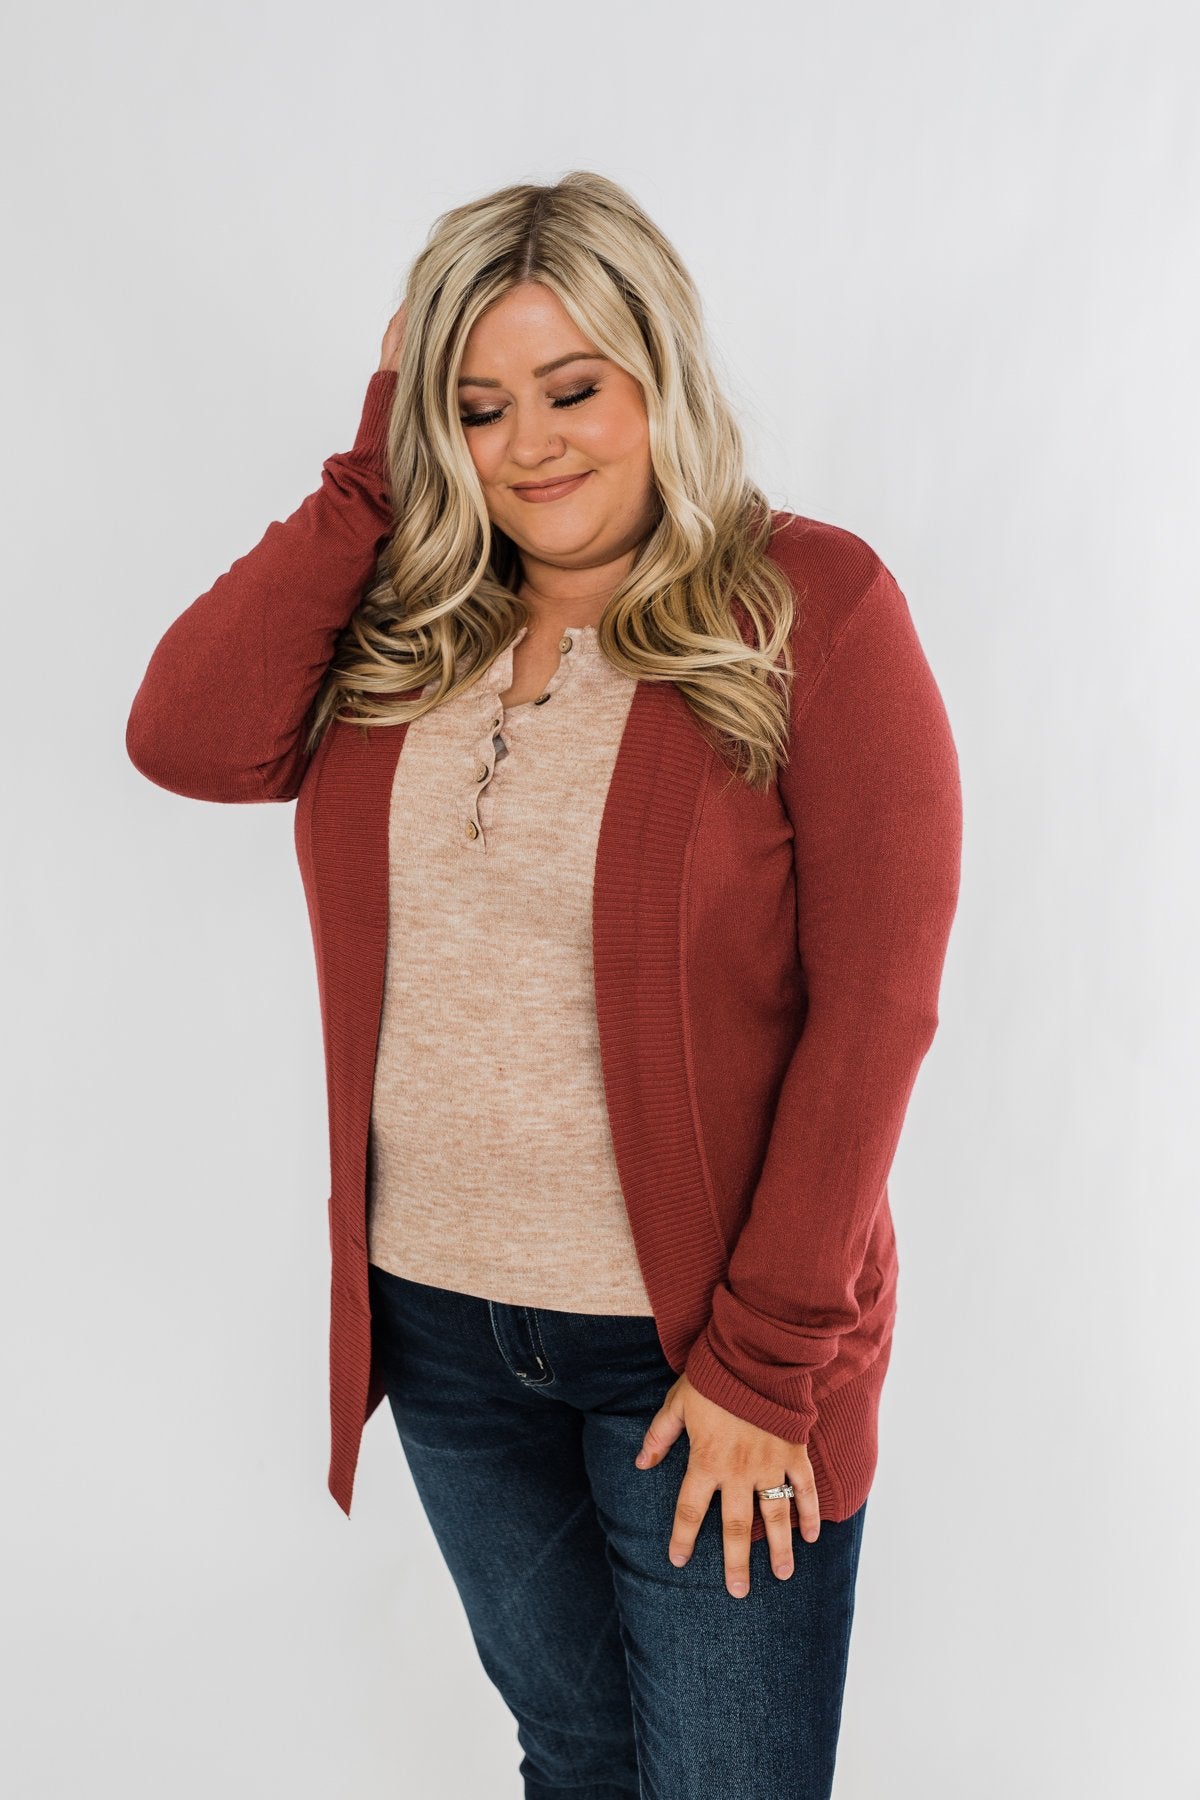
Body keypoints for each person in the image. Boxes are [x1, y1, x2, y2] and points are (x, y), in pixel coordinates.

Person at [125, 169, 963, 1798]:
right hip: (443, 1332)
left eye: (572, 389)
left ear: (659, 370)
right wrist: (371, 470)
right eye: (475, 405)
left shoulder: (811, 606)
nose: (529, 446)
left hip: (706, 1352)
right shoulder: (404, 623)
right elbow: (185, 736)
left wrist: (766, 1360)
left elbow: (879, 1006)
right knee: (575, 1760)